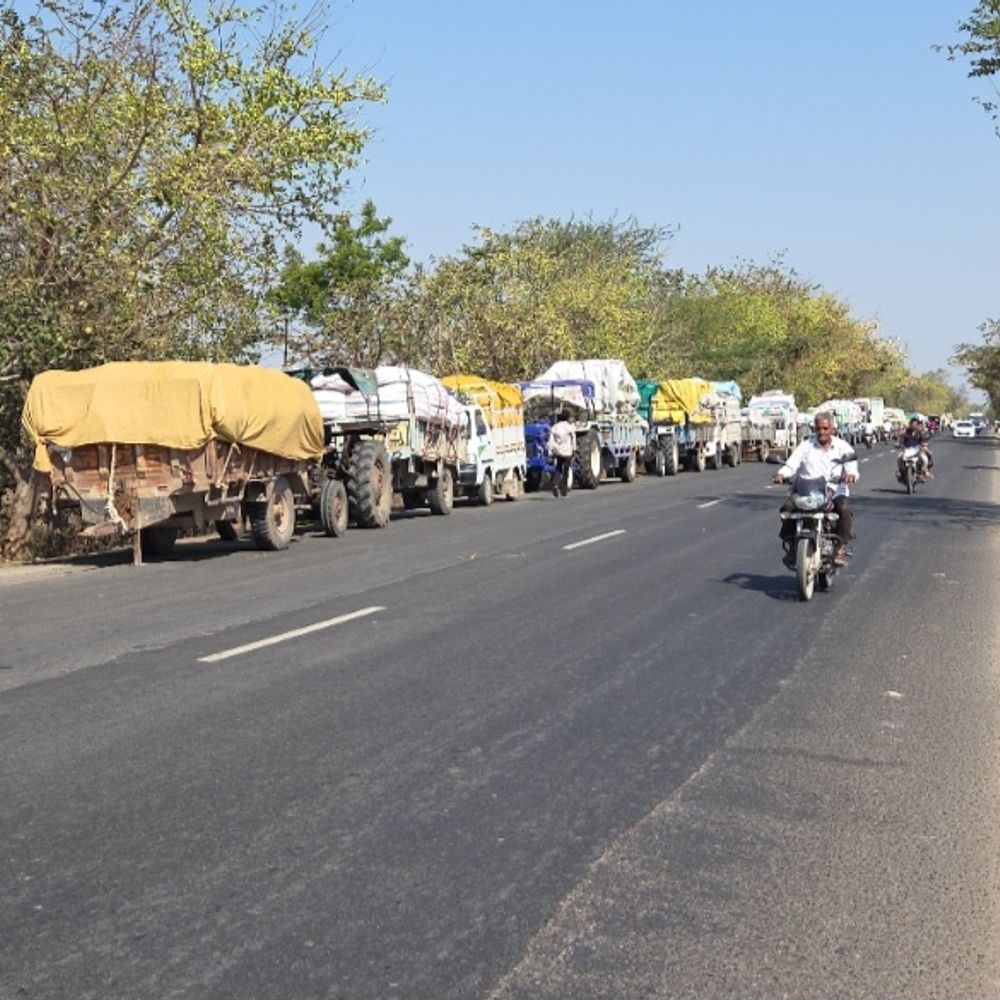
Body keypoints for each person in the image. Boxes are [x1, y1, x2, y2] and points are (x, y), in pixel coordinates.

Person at [772, 412, 859, 568]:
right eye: (818, 429)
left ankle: (840, 547)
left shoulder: (843, 447)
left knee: (844, 510)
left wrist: (851, 475)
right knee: (787, 508)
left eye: (825, 428)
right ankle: (792, 546)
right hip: (806, 492)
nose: (822, 432)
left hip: (834, 492)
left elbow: (852, 467)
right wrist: (781, 474)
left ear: (832, 428)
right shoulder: (806, 446)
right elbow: (792, 464)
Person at [547, 410, 576, 498]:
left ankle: (555, 484)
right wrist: (574, 449)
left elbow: (551, 440)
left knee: (558, 468)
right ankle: (564, 490)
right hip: (567, 451)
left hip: (558, 451)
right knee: (566, 470)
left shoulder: (555, 427)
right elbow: (573, 438)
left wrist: (551, 450)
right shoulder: (569, 427)